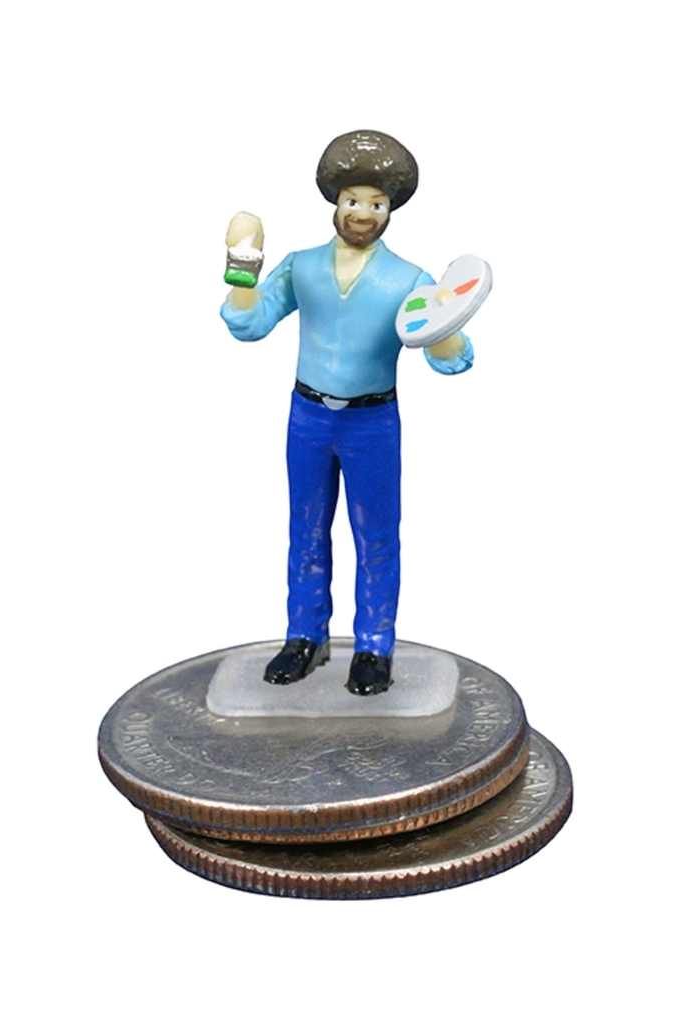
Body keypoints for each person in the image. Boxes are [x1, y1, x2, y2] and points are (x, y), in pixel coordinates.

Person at [220, 130, 473, 695]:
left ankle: (374, 645)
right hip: (308, 417)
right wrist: (242, 266)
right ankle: (304, 636)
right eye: (353, 200)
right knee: (306, 529)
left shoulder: (409, 280)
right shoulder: (302, 267)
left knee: (376, 535)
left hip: (372, 424)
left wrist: (447, 327)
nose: (362, 213)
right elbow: (250, 323)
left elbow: (450, 357)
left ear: (390, 210)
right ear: (335, 202)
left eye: (376, 204)